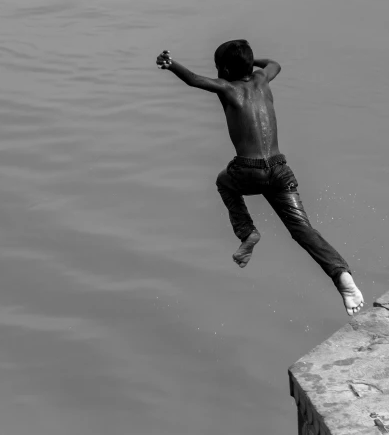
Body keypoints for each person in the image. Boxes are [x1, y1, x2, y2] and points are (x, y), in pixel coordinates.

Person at [156, 40, 364, 316]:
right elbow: (274, 64)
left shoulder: (227, 88)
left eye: (218, 68)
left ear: (226, 69)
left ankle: (247, 232)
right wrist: (252, 61)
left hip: (248, 169)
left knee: (223, 181)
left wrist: (171, 65)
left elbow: (194, 80)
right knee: (303, 229)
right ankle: (341, 277)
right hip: (280, 169)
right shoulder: (263, 79)